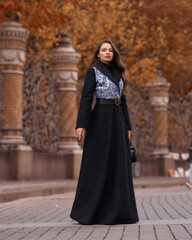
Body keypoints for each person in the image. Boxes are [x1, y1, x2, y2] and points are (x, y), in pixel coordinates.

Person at [70, 39, 139, 225]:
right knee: (99, 163)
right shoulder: (93, 71)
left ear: (114, 53)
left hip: (117, 121)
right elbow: (86, 98)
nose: (107, 52)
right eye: (104, 50)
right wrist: (81, 124)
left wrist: (128, 126)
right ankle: (91, 211)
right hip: (100, 120)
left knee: (118, 164)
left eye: (110, 50)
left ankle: (119, 212)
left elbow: (123, 101)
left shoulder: (119, 72)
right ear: (98, 54)